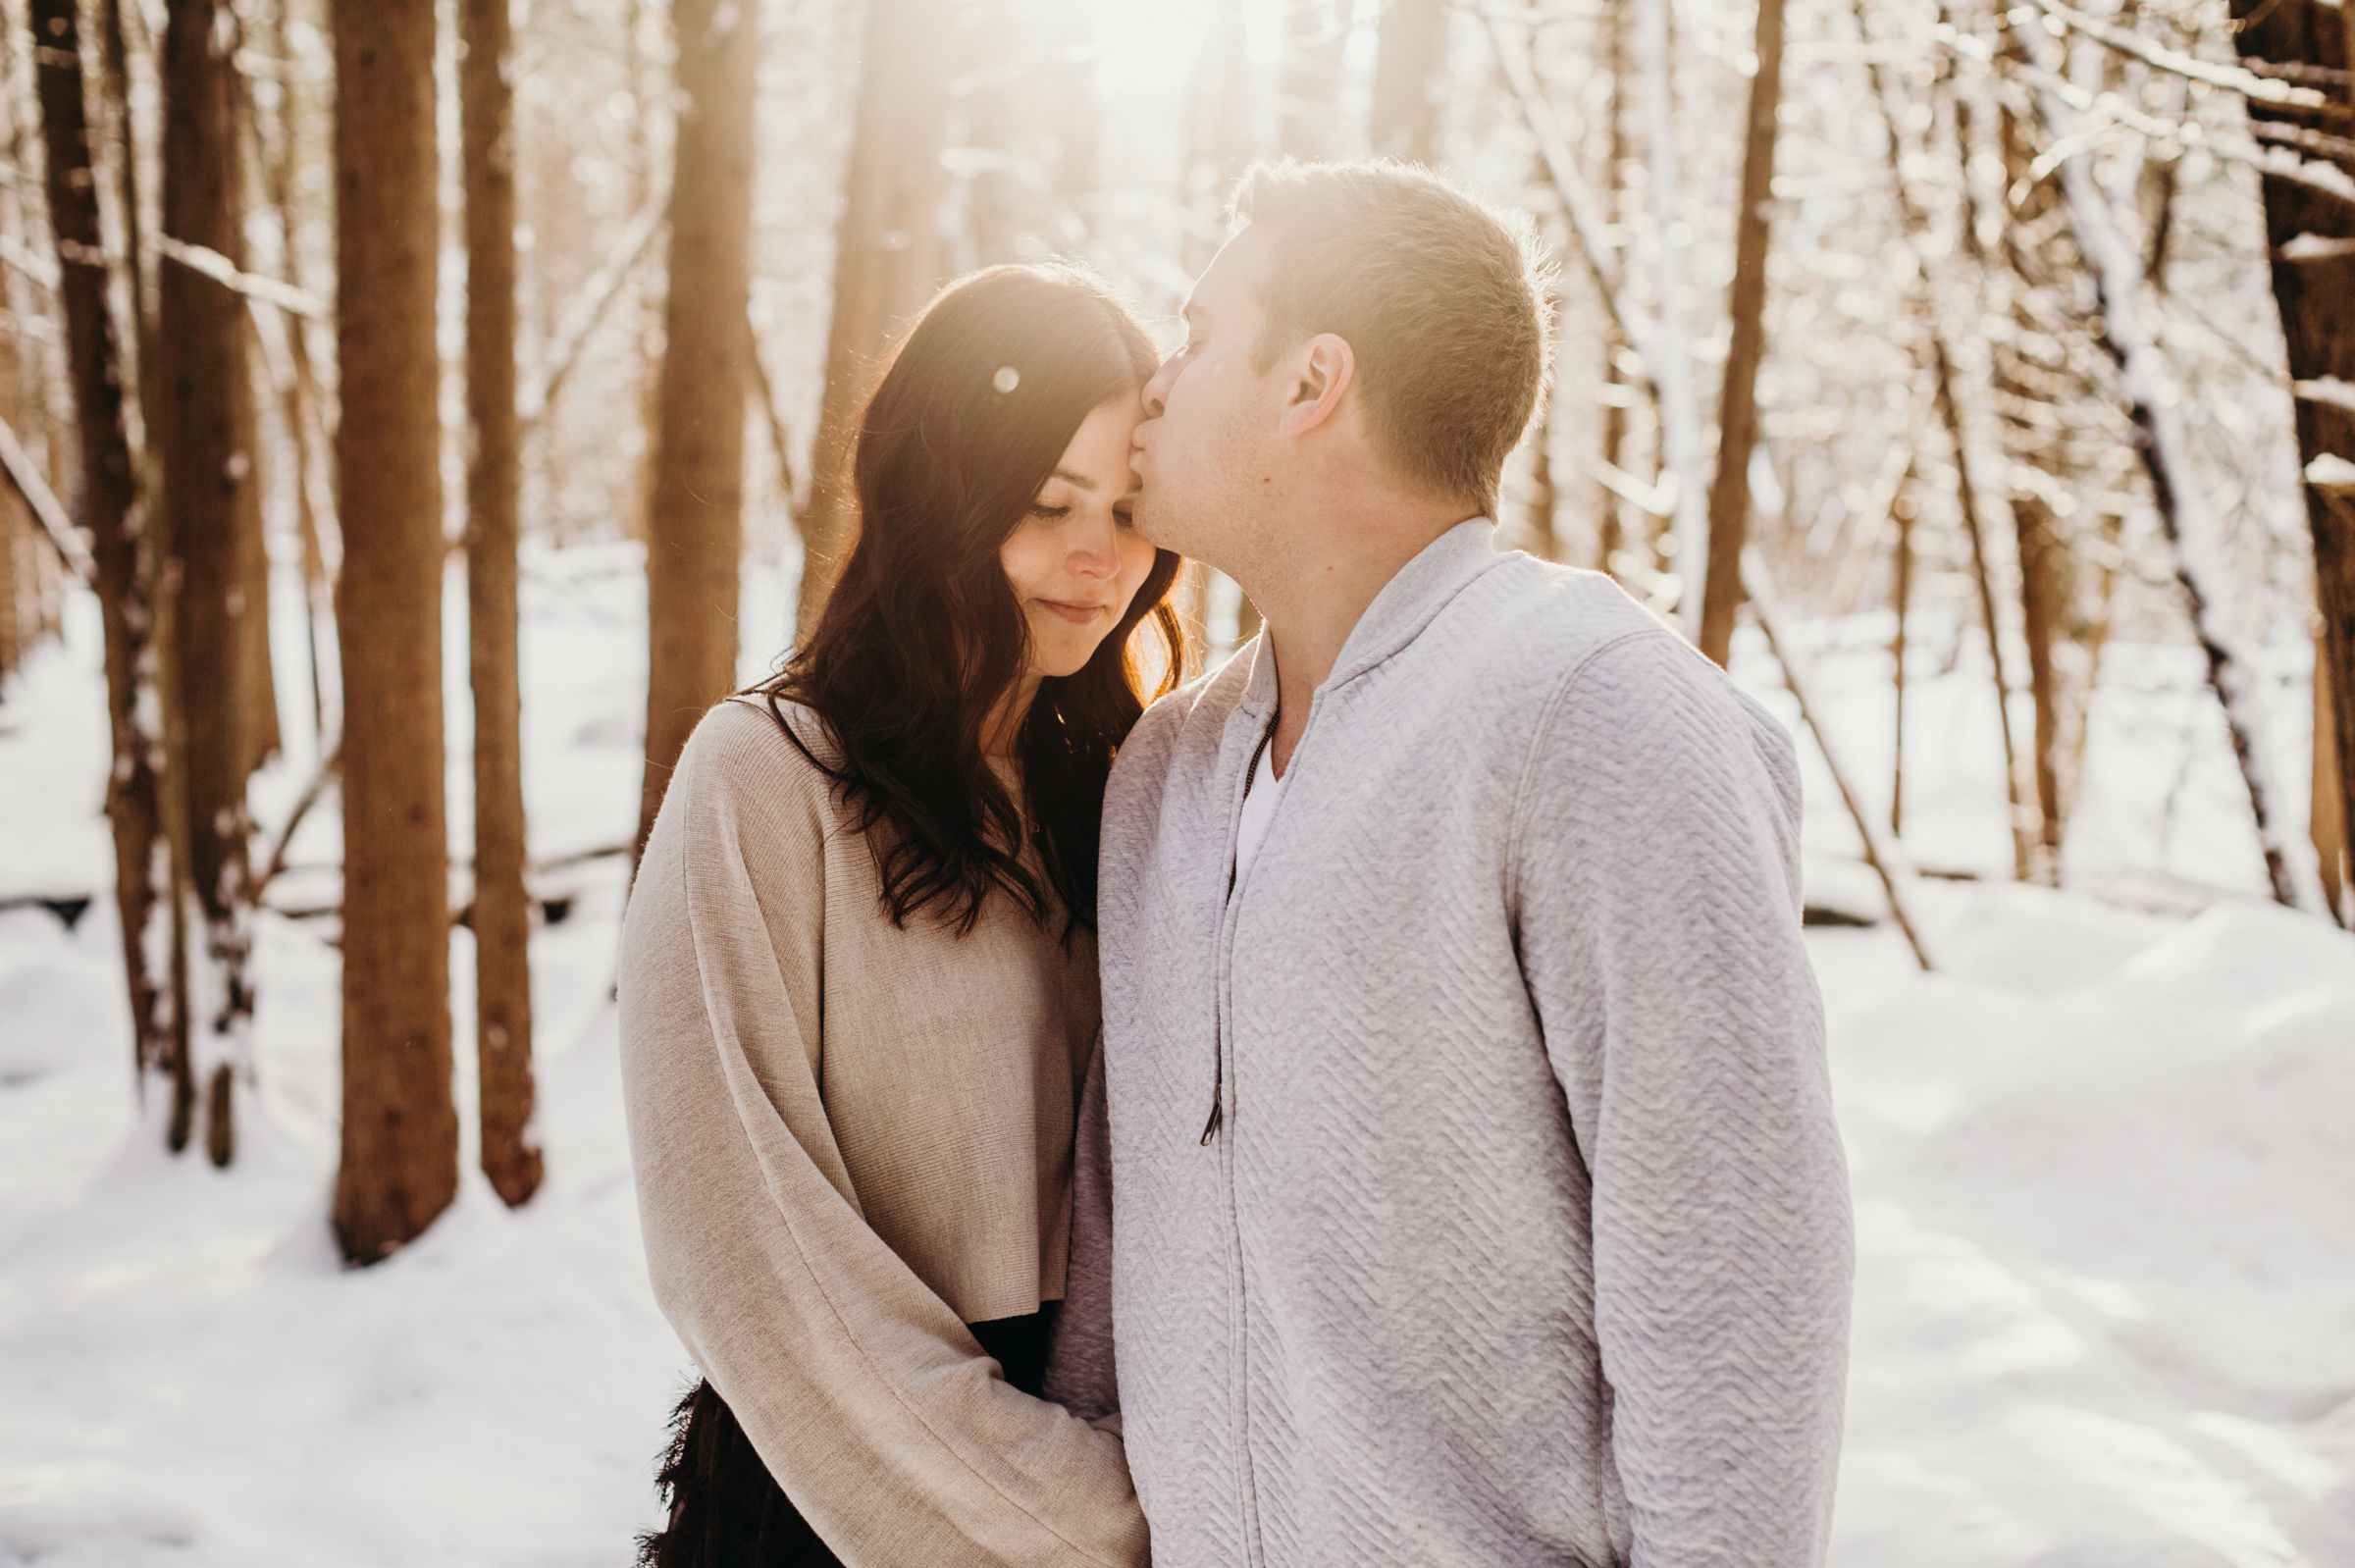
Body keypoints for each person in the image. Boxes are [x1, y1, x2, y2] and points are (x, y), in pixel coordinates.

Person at [1084, 160, 1855, 1566]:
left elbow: (1733, 1299)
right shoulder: (1163, 780)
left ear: (1312, 379)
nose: (1153, 386)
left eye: (1196, 340)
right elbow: (1109, 1262)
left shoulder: (1597, 710)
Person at [617, 262, 1182, 1568]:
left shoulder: (1126, 792)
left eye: (1130, 509)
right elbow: (741, 1245)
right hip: (837, 1499)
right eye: (1048, 504)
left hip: (1116, 1465)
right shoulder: (764, 779)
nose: (1101, 559)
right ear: (941, 495)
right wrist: (1080, 1511)